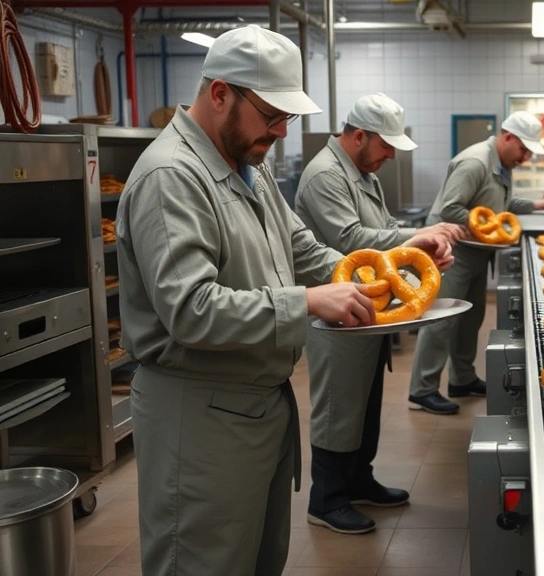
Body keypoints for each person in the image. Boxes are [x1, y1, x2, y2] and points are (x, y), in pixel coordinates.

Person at [115, 26, 450, 576]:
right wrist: (309, 303)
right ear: (220, 93)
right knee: (204, 561)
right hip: (199, 415)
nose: (281, 131)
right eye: (272, 114)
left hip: (256, 407)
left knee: (258, 559)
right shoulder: (173, 176)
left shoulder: (251, 165)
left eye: (287, 118)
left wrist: (376, 281)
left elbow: (300, 248)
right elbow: (190, 309)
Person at [294, 93, 463, 534]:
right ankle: (327, 500)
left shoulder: (364, 174)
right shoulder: (325, 176)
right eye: (385, 145)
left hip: (367, 306)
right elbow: (350, 238)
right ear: (358, 135)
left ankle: (358, 479)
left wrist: (415, 247)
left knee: (364, 401)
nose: (390, 154)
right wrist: (416, 236)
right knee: (337, 404)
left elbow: (384, 233)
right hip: (336, 312)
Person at [408, 112, 544, 415]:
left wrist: (536, 204)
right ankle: (422, 390)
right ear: (507, 137)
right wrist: (489, 228)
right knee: (440, 321)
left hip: (477, 252)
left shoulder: (502, 165)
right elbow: (451, 208)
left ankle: (461, 379)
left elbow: (498, 206)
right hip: (452, 252)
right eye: (524, 150)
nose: (526, 157)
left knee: (469, 319)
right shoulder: (475, 162)